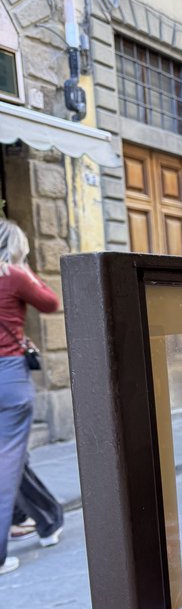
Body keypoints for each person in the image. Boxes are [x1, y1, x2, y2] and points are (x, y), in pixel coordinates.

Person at [0, 219, 61, 576]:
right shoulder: (14, 275)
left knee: (13, 458)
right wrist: (26, 270)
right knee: (9, 463)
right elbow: (50, 303)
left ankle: (46, 519)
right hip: (9, 376)